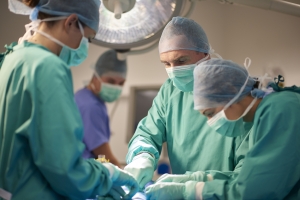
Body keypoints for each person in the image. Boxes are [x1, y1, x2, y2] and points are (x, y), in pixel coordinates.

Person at [0, 0, 138, 199]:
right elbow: (64, 167)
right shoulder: (48, 67)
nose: (84, 47)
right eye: (88, 39)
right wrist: (108, 173)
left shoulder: (13, 58)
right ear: (71, 22)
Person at [124, 16, 251, 190]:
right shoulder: (170, 91)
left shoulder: (233, 90)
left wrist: (194, 189)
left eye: (181, 61)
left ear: (205, 53)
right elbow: (147, 132)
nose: (174, 70)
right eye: (166, 64)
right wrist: (142, 156)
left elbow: (248, 177)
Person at [145, 58, 300, 199]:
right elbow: (246, 178)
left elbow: (253, 192)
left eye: (210, 113)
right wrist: (197, 179)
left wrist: (190, 191)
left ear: (231, 96)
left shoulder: (282, 110)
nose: (210, 122)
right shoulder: (261, 116)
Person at [75, 49, 127, 168]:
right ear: (95, 77)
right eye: (110, 81)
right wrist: (121, 173)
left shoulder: (83, 96)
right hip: (84, 174)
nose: (116, 87)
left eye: (121, 83)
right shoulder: (91, 106)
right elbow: (102, 156)